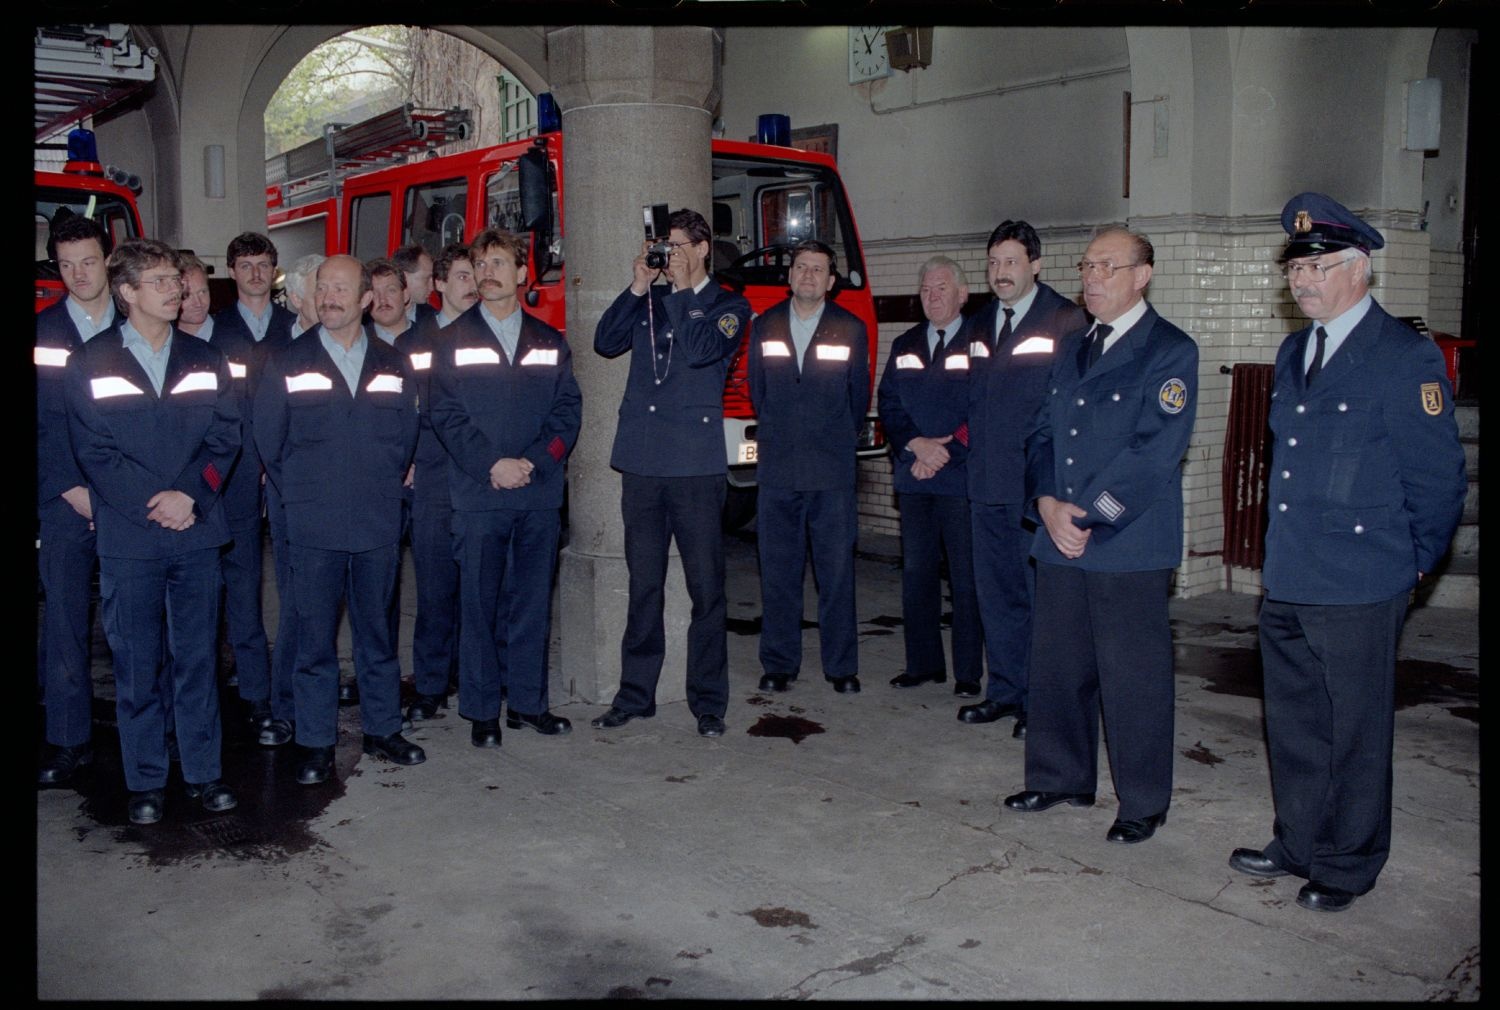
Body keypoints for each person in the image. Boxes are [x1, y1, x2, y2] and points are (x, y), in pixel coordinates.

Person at [1228, 193, 1467, 912]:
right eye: (1295, 269)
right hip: (1294, 571)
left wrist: (1411, 567)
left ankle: (1349, 862)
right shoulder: (1297, 348)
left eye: (1318, 266)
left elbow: (1438, 479)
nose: (1301, 282)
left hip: (1364, 578)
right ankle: (1298, 840)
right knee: (1295, 722)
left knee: (1356, 730)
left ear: (1359, 269)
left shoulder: (1402, 354)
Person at [1004, 228, 1198, 846]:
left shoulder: (1170, 350)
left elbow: (1154, 451)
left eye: (1106, 267)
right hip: (1059, 533)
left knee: (1132, 675)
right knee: (1058, 664)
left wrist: (1086, 516)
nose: (1090, 277)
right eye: (1086, 266)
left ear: (1143, 275)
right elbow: (1040, 433)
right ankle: (1061, 775)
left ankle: (1142, 800)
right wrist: (1045, 504)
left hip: (1125, 539)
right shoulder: (1073, 344)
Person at [64, 239, 242, 823]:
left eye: (177, 280)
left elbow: (226, 436)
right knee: (137, 661)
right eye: (163, 281)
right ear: (128, 292)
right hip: (131, 536)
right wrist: (152, 502)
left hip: (195, 528)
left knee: (196, 659)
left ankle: (203, 772)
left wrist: (190, 493)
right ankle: (145, 777)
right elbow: (94, 451)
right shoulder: (90, 362)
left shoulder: (205, 358)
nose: (179, 290)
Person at [254, 255, 423, 785]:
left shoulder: (394, 364)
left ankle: (382, 729)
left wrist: (377, 487)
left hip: (376, 520)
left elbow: (405, 439)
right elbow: (269, 442)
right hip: (312, 524)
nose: (328, 297)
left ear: (366, 299)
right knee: (313, 640)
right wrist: (305, 496)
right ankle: (315, 740)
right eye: (322, 288)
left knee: (377, 633)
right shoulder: (286, 363)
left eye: (340, 289)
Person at [589, 207, 751, 737]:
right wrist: (638, 287)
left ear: (704, 250)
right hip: (643, 462)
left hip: (694, 465)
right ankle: (635, 695)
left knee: (706, 588)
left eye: (681, 245)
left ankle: (708, 701)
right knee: (644, 584)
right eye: (667, 246)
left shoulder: (730, 306)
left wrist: (682, 290)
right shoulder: (652, 300)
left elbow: (704, 350)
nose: (672, 255)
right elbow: (605, 341)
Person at [429, 229, 581, 746]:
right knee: (479, 602)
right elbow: (445, 416)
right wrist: (492, 465)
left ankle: (527, 704)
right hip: (480, 493)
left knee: (532, 600)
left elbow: (567, 416)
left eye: (499, 262)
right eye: (479, 263)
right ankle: (481, 712)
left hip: (537, 495)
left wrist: (534, 463)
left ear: (522, 272)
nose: (487, 271)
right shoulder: (449, 342)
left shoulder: (549, 342)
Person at [956, 220, 1088, 737]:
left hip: (1035, 490)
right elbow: (971, 400)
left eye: (1011, 262)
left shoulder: (1064, 320)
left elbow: (1067, 416)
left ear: (1036, 264)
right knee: (996, 594)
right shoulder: (980, 323)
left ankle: (1040, 702)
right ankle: (1005, 691)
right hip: (985, 483)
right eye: (993, 263)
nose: (1000, 272)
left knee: (1038, 601)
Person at [746, 240, 871, 696]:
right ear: (790, 275)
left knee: (836, 573)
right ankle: (779, 663)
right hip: (778, 471)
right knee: (778, 572)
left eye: (818, 270)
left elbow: (858, 401)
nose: (808, 276)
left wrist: (829, 439)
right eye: (801, 268)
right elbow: (758, 392)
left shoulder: (850, 329)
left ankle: (841, 667)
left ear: (831, 281)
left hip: (831, 473)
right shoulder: (765, 326)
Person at [875, 256, 981, 699]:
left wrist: (946, 451)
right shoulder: (904, 345)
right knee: (917, 573)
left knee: (965, 577)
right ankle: (923, 664)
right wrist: (916, 445)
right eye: (926, 289)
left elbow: (987, 407)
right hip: (915, 476)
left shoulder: (983, 343)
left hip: (960, 478)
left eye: (942, 288)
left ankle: (969, 672)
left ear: (962, 294)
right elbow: (889, 404)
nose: (933, 296)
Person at [36, 215, 116, 786]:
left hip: (133, 500)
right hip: (64, 499)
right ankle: (69, 740)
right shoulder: (42, 333)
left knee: (139, 619)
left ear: (109, 260)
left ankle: (152, 728)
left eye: (87, 261)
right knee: (64, 618)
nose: (78, 275)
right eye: (65, 266)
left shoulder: (140, 326)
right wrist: (70, 489)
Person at [208, 232, 296, 743]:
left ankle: (286, 679)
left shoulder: (294, 329)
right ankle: (255, 691)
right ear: (232, 272)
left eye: (263, 265)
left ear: (275, 270)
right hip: (235, 468)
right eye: (245, 265)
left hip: (283, 467)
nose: (256, 274)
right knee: (242, 582)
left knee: (290, 579)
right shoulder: (215, 333)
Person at [398, 243, 479, 723]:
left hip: (476, 480)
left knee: (479, 591)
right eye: (464, 276)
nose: (473, 284)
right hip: (429, 479)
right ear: (440, 286)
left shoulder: (488, 340)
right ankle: (429, 686)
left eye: (477, 275)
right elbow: (397, 414)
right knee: (433, 593)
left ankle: (475, 680)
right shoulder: (412, 346)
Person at [367, 258, 412, 345]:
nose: (382, 299)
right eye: (375, 293)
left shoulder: (431, 340)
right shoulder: (357, 343)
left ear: (405, 295)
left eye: (391, 290)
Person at [392, 244, 437, 328]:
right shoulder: (369, 320)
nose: (432, 287)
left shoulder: (434, 320)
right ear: (404, 278)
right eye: (427, 279)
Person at [284, 253, 325, 338]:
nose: (330, 300)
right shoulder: (272, 348)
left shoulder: (356, 342)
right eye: (320, 292)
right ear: (296, 299)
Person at [176, 254, 213, 339]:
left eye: (202, 292)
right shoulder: (162, 342)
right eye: (187, 295)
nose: (198, 303)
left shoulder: (233, 338)